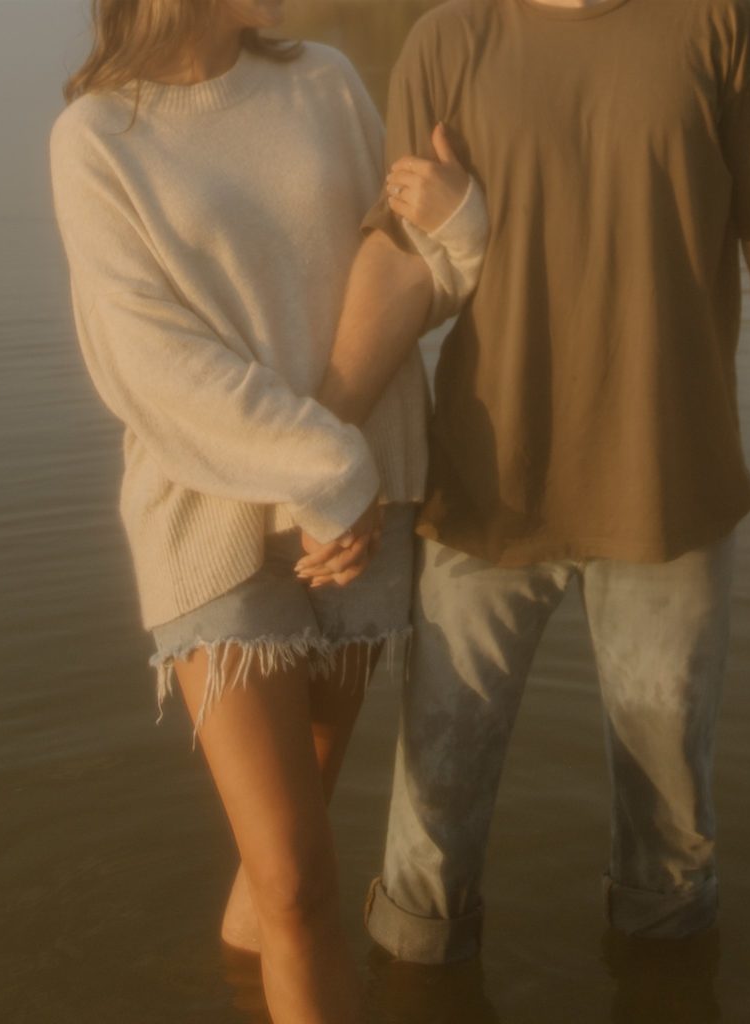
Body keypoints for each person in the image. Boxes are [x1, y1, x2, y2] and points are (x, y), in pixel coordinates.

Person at [310, 0, 750, 963]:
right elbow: (404, 261)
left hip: (670, 496)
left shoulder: (719, 24)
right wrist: (312, 453)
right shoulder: (447, 40)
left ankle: (668, 985)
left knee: (671, 845)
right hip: (483, 498)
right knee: (430, 838)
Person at [49, 1, 487, 1020]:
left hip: (353, 522)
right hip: (219, 525)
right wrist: (326, 469)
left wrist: (462, 225)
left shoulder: (325, 81)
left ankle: (237, 986)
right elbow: (149, 367)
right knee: (297, 877)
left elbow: (407, 269)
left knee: (292, 862)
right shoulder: (97, 138)